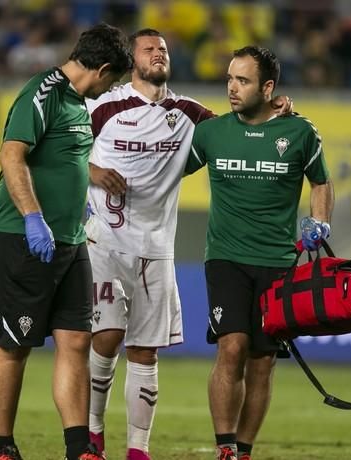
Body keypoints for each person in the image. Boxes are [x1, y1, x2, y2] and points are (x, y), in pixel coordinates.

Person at [84, 30, 292, 459]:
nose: (159, 53)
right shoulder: (102, 106)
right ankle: (93, 434)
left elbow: (237, 130)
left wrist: (277, 110)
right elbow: (63, 150)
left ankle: (138, 451)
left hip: (156, 249)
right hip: (103, 242)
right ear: (132, 59)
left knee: (145, 350)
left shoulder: (190, 115)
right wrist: (93, 172)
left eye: (163, 48)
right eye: (149, 48)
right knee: (105, 337)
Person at [0, 23, 132, 460]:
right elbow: (11, 155)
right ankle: (3, 448)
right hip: (23, 238)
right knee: (15, 344)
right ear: (102, 69)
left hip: (70, 241)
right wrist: (33, 217)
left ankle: (78, 448)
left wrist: (74, 205)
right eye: (114, 80)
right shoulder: (41, 93)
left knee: (76, 342)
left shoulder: (76, 102)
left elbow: (65, 160)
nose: (113, 88)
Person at [185, 45, 334, 460]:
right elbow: (166, 172)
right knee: (231, 346)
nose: (232, 88)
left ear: (268, 87)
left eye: (243, 80)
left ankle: (245, 449)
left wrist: (319, 222)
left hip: (278, 261)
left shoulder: (301, 132)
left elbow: (321, 182)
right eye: (230, 78)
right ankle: (226, 447)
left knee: (262, 360)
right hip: (225, 257)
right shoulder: (211, 133)